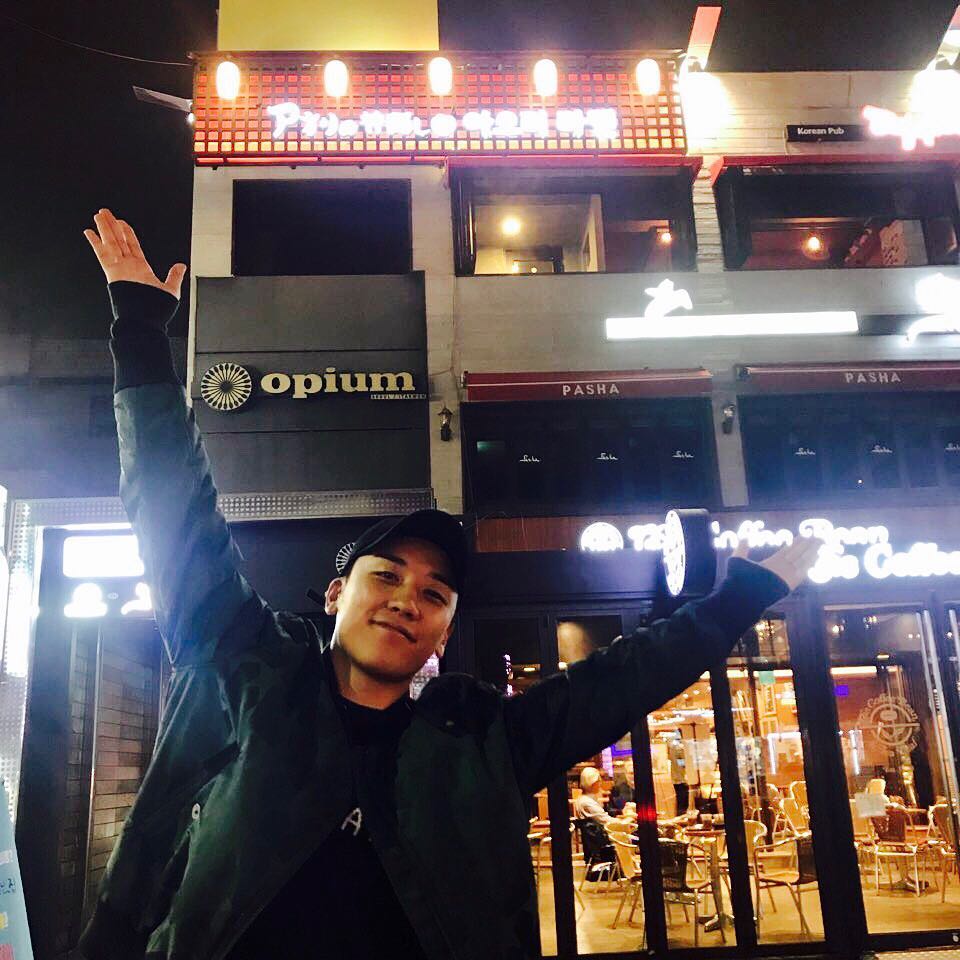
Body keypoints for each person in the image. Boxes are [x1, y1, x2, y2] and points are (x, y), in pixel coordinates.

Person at [78, 208, 823, 960]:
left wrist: (743, 593)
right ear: (336, 595)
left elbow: (627, 676)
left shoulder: (481, 743)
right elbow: (178, 515)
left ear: (443, 631)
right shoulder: (248, 674)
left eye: (435, 594)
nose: (408, 598)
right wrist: (140, 332)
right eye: (387, 575)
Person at [668, 730, 690, 816]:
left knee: (680, 800)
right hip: (681, 778)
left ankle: (679, 816)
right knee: (683, 800)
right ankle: (682, 816)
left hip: (676, 777)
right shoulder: (679, 747)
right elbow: (681, 762)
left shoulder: (673, 745)